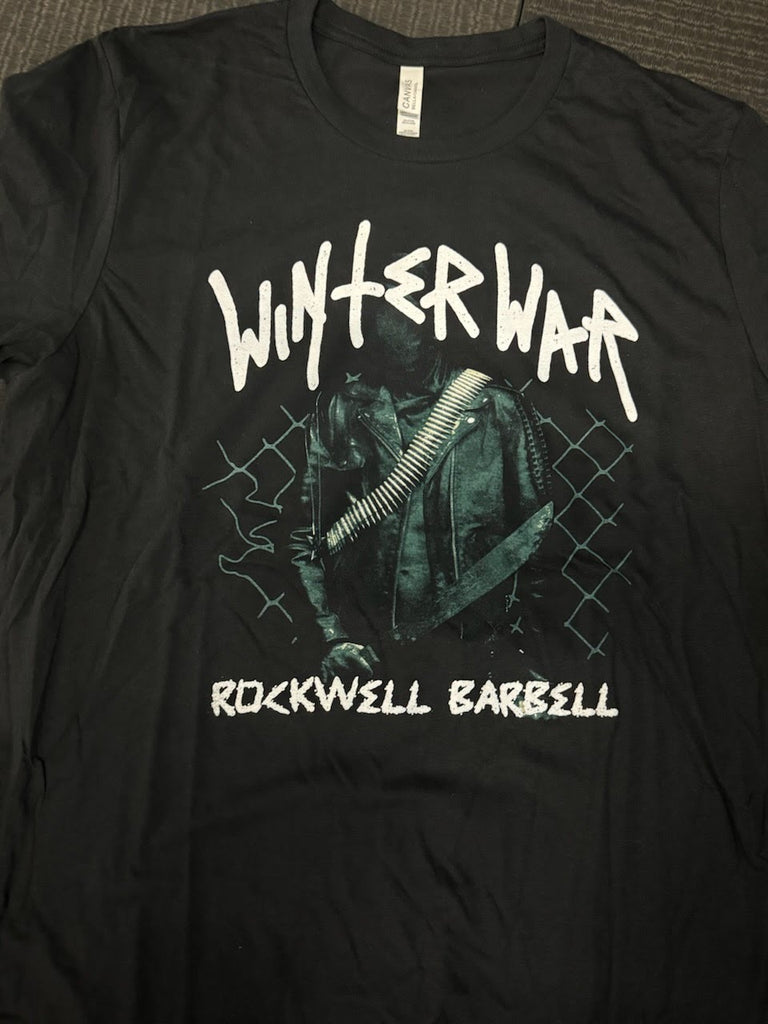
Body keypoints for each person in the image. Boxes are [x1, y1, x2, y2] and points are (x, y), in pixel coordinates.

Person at [289, 303, 553, 683]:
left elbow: (538, 546)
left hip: (479, 657)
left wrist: (533, 664)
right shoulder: (344, 409)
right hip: (369, 659)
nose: (395, 330)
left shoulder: (498, 410)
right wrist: (330, 636)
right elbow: (304, 538)